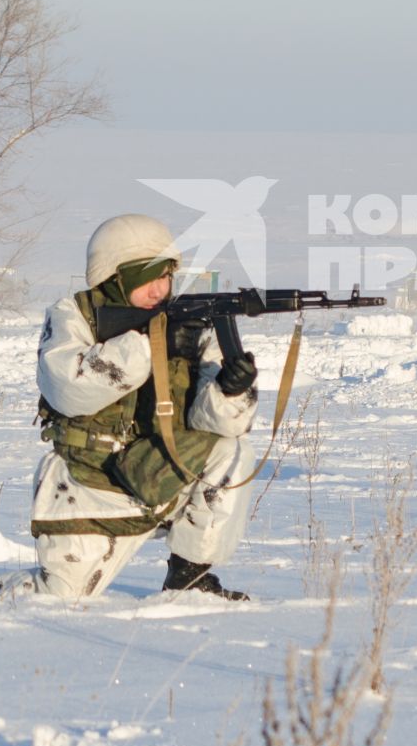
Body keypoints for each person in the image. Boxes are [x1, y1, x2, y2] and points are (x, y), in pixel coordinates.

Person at [20, 214, 260, 599]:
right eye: (146, 278)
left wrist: (231, 391)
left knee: (231, 451)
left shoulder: (193, 324)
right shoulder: (74, 315)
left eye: (166, 277)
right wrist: (149, 345)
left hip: (157, 474)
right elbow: (67, 386)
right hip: (88, 484)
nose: (160, 289)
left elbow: (219, 424)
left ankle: (190, 578)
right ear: (115, 279)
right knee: (56, 601)